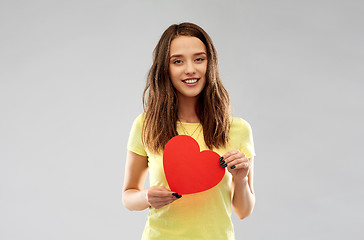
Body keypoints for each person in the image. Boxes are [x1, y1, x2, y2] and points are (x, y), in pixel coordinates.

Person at [122, 22, 256, 240]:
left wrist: (240, 179)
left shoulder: (238, 129)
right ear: (165, 69)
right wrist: (147, 197)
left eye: (199, 59)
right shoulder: (146, 124)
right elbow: (128, 196)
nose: (190, 69)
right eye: (177, 61)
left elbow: (243, 211)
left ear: (210, 64)